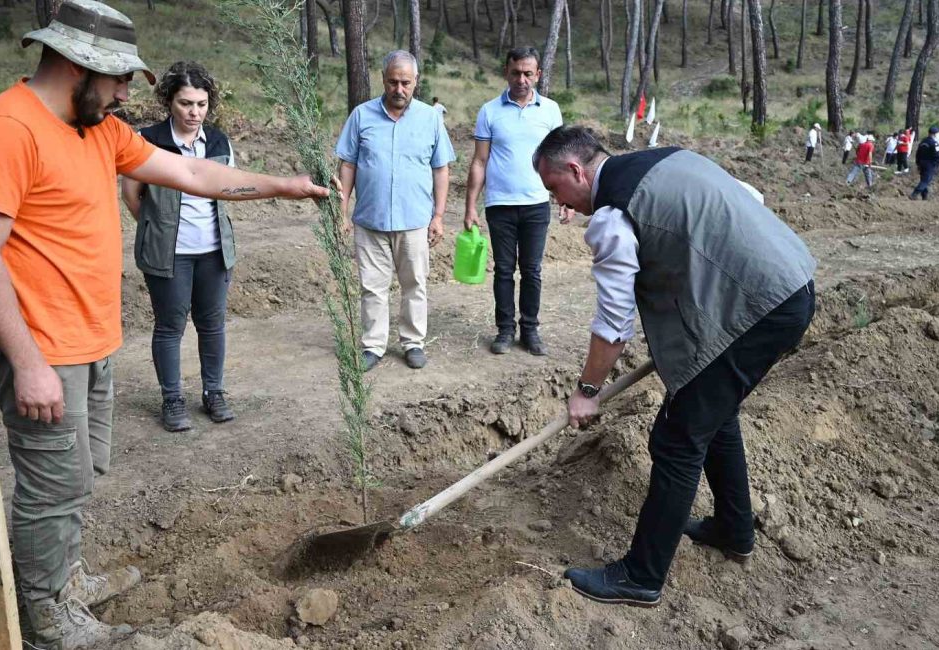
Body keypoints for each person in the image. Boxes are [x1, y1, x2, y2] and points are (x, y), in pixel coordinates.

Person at [0, 2, 329, 647]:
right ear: (76, 65)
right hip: (43, 348)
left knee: (77, 476)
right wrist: (28, 363)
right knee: (51, 485)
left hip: (89, 340)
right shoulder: (5, 128)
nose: (130, 92)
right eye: (121, 78)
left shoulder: (97, 128)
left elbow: (188, 171)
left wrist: (283, 185)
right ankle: (46, 617)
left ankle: (63, 577)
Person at [533, 126, 815, 607]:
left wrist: (587, 389)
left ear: (577, 171)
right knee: (713, 414)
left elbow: (614, 325)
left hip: (758, 310)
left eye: (555, 188)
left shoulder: (613, 217)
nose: (559, 204)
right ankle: (733, 528)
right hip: (794, 283)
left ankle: (640, 577)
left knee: (677, 438)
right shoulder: (669, 160)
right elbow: (748, 197)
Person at [121, 62, 240, 433]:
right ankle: (172, 399)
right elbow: (132, 195)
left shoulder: (219, 142)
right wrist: (158, 228)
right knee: (170, 326)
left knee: (212, 324)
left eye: (202, 104)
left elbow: (229, 188)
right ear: (169, 101)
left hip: (214, 252)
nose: (195, 112)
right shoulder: (148, 140)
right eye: (186, 103)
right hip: (168, 254)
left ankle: (213, 393)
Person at [335, 51, 455, 372]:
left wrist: (438, 216)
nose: (398, 89)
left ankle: (413, 342)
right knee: (372, 286)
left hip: (415, 220)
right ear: (383, 80)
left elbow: (441, 169)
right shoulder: (361, 116)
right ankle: (373, 345)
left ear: (416, 82)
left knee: (414, 283)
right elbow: (347, 164)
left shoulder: (430, 119)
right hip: (370, 220)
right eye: (392, 82)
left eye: (405, 82)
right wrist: (342, 211)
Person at [463, 47, 564, 356]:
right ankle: (505, 330)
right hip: (500, 205)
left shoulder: (550, 110)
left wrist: (564, 198)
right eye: (516, 72)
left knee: (532, 270)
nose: (522, 79)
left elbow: (558, 159)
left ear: (538, 75)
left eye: (528, 73)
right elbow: (479, 162)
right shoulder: (489, 111)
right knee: (504, 270)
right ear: (506, 72)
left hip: (536, 204)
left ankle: (530, 330)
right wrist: (470, 207)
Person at [910, 126, 939, 200]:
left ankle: (924, 196)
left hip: (921, 163)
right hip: (930, 164)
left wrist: (918, 163)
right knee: (926, 180)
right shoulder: (934, 143)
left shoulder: (923, 142)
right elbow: (937, 155)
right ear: (935, 134)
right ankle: (914, 194)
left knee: (923, 179)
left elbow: (917, 153)